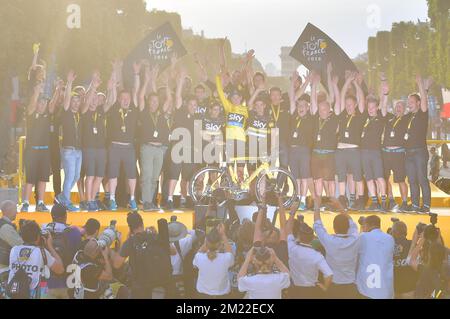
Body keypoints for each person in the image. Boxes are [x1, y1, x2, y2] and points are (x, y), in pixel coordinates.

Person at [105, 61, 140, 211]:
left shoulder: (134, 109)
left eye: (128, 99)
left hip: (129, 148)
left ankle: (132, 199)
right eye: (123, 99)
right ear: (119, 100)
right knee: (113, 174)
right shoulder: (114, 109)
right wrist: (114, 71)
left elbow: (137, 90)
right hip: (115, 147)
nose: (125, 101)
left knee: (131, 175)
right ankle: (112, 199)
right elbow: (112, 92)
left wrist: (137, 73)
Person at [112, 212, 172, 299]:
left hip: (140, 286)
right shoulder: (154, 236)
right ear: (142, 223)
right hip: (160, 282)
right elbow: (172, 251)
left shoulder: (130, 242)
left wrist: (121, 242)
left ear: (130, 227)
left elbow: (116, 265)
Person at [138, 64, 172, 211]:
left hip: (159, 149)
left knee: (154, 178)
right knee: (146, 176)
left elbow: (169, 100)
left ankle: (150, 202)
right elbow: (140, 95)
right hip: (147, 148)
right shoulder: (144, 112)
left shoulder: (161, 113)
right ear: (148, 102)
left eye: (156, 102)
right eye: (151, 101)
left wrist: (165, 84)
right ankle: (145, 202)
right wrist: (147, 80)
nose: (153, 103)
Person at [21, 80, 56, 212]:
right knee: (30, 178)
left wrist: (57, 89)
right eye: (39, 103)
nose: (42, 105)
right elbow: (31, 106)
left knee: (43, 178)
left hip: (44, 152)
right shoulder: (31, 114)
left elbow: (52, 104)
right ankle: (25, 203)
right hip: (32, 152)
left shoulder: (48, 114)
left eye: (44, 103)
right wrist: (37, 92)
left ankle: (40, 203)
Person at [80, 72, 112, 212]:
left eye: (95, 99)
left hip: (101, 149)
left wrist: (111, 88)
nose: (93, 101)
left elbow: (110, 101)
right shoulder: (85, 111)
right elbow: (87, 102)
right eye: (91, 98)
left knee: (99, 176)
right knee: (90, 175)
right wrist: (93, 86)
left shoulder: (100, 111)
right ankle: (89, 200)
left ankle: (92, 200)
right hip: (89, 148)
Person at [309, 71, 342, 211]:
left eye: (325, 109)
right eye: (320, 109)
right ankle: (318, 203)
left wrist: (334, 85)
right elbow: (312, 103)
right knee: (317, 180)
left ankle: (331, 203)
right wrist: (314, 85)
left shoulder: (334, 118)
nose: (322, 111)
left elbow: (338, 101)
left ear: (330, 110)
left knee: (329, 181)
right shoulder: (315, 117)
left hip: (329, 154)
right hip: (316, 154)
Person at [8, 220, 64, 299]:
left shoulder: (14, 250)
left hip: (14, 292)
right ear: (38, 236)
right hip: (31, 295)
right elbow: (60, 270)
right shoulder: (41, 252)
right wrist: (49, 246)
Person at [313, 207, 360, 298]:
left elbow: (317, 226)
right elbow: (352, 223)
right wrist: (338, 205)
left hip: (333, 286)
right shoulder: (355, 239)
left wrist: (317, 205)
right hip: (351, 286)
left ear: (334, 228)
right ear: (348, 228)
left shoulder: (330, 241)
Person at [336, 72, 366, 210]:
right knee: (341, 177)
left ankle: (360, 200)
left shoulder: (359, 115)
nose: (348, 106)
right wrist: (347, 81)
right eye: (347, 104)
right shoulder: (343, 114)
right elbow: (341, 96)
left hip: (354, 150)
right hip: (341, 150)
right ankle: (343, 199)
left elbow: (361, 98)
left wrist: (355, 83)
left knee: (357, 176)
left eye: (350, 104)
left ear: (355, 105)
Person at [54, 71, 83, 211]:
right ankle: (66, 202)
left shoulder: (78, 114)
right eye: (74, 101)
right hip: (68, 150)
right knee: (70, 176)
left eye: (78, 101)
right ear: (69, 102)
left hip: (78, 151)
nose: (76, 104)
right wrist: (70, 82)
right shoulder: (66, 112)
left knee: (76, 176)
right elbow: (66, 101)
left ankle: (62, 197)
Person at [404, 75, 433, 213]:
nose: (408, 103)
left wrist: (421, 85)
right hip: (408, 153)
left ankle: (426, 206)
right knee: (412, 180)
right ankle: (415, 204)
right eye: (407, 101)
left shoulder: (422, 113)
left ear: (418, 103)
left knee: (422, 179)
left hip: (419, 152)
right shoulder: (408, 116)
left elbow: (424, 100)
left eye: (411, 101)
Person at [286, 214, 333, 299]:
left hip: (295, 289)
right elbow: (329, 274)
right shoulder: (317, 255)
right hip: (312, 291)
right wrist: (325, 287)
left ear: (299, 236)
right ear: (312, 239)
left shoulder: (291, 248)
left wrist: (292, 212)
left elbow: (288, 230)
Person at [41, 204, 82, 299]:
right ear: (65, 216)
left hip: (45, 283)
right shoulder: (74, 232)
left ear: (51, 216)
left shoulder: (42, 231)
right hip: (68, 283)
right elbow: (78, 255)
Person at [360, 78, 389, 211]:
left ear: (377, 107)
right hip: (364, 152)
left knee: (379, 178)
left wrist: (384, 93)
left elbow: (384, 104)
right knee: (369, 179)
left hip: (375, 152)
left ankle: (384, 202)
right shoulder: (366, 117)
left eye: (373, 107)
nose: (370, 109)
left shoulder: (381, 116)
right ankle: (374, 202)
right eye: (369, 107)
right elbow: (362, 101)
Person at [288, 73, 315, 210]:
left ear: (308, 107)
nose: (300, 107)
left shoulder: (311, 117)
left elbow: (313, 102)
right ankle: (297, 198)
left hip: (304, 150)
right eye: (299, 105)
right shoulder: (294, 115)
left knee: (304, 176)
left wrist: (311, 83)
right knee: (296, 177)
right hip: (293, 150)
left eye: (304, 105)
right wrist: (293, 83)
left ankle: (303, 201)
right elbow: (292, 99)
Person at [356, 215, 395, 299]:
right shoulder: (390, 238)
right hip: (386, 291)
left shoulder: (363, 237)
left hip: (367, 291)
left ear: (366, 225)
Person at [193, 225, 234, 298]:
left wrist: (207, 241)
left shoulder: (199, 257)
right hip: (222, 296)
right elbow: (230, 252)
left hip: (203, 295)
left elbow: (200, 252)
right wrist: (223, 235)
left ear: (206, 242)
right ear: (220, 244)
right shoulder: (226, 258)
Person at [383, 100, 410, 212]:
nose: (398, 108)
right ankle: (391, 200)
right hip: (386, 153)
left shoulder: (406, 119)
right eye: (396, 106)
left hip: (399, 153)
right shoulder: (390, 120)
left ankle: (404, 202)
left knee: (400, 179)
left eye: (400, 106)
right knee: (384, 178)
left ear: (404, 109)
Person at [408, 225, 447, 298]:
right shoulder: (446, 268)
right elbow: (440, 251)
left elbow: (412, 260)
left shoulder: (425, 270)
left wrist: (423, 239)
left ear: (429, 256)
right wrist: (438, 238)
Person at [391, 221, 417, 298]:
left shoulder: (388, 244)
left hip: (393, 287)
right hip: (409, 287)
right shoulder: (412, 244)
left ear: (393, 232)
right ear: (405, 232)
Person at [0, 201, 23, 272]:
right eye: (15, 210)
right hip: (4, 266)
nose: (17, 212)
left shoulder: (4, 224)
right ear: (10, 211)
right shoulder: (6, 227)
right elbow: (20, 245)